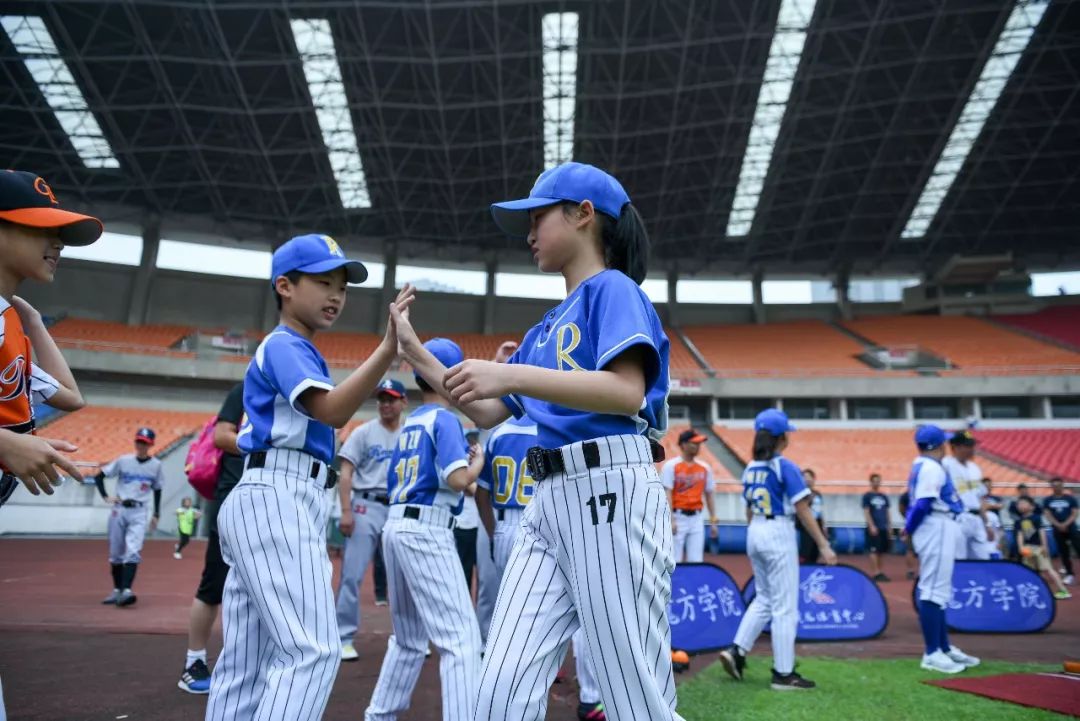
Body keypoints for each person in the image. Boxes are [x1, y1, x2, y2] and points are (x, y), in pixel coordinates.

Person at [392, 162, 682, 720]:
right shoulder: (543, 327)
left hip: (610, 488)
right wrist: (415, 353)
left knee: (633, 695)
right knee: (497, 688)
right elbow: (486, 407)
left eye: (538, 216)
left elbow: (625, 391)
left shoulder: (613, 290)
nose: (528, 233)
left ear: (583, 214)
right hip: (545, 500)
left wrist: (511, 375)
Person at [205, 234, 414, 721]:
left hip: (271, 494)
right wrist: (388, 349)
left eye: (341, 285)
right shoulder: (285, 344)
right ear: (284, 286)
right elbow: (332, 411)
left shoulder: (293, 348)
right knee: (313, 650)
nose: (336, 294)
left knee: (247, 664)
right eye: (323, 282)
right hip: (278, 495)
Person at [364, 338, 485, 721]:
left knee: (409, 639)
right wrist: (477, 463)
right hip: (427, 530)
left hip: (396, 525)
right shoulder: (445, 419)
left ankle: (379, 715)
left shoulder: (410, 423)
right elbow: (458, 480)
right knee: (462, 640)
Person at [476, 411, 605, 720]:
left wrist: (494, 532)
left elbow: (482, 492)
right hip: (549, 522)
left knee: (510, 617)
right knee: (580, 612)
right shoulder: (561, 427)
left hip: (505, 525)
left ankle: (508, 689)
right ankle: (587, 696)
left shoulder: (499, 432)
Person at [719, 409, 837, 691]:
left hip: (755, 530)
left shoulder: (750, 467)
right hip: (778, 531)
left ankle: (737, 650)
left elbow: (749, 508)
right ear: (781, 437)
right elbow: (803, 509)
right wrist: (823, 544)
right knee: (785, 608)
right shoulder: (785, 466)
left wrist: (755, 535)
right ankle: (783, 674)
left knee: (764, 599)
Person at [0, 170, 98, 506]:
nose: (58, 242)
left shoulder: (12, 321)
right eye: (41, 228)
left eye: (59, 232)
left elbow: (71, 397)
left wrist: (32, 321)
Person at [177, 381, 244, 695]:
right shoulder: (244, 390)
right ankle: (194, 661)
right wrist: (262, 441)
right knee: (213, 584)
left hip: (269, 505)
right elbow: (220, 436)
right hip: (231, 499)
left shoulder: (294, 396)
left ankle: (244, 663)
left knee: (258, 593)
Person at [335, 378, 407, 662]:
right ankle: (343, 636)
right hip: (366, 504)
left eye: (391, 399)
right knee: (352, 574)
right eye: (382, 399)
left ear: (403, 402)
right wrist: (346, 510)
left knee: (405, 575)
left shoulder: (410, 434)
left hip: (399, 506)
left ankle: (407, 636)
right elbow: (346, 472)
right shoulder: (364, 432)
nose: (386, 404)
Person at [903, 424, 979, 674]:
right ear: (938, 445)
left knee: (939, 592)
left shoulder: (927, 466)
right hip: (935, 525)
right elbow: (924, 503)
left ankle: (943, 647)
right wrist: (909, 528)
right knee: (932, 592)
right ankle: (932, 652)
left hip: (940, 525)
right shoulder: (930, 467)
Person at [94, 428, 165, 607]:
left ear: (151, 444)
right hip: (120, 508)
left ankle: (126, 590)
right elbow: (99, 476)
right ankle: (117, 590)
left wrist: (156, 513)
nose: (141, 445)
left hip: (139, 511)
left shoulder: (156, 465)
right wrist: (105, 496)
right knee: (116, 553)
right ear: (135, 442)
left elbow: (157, 489)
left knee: (133, 550)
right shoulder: (124, 461)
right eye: (139, 441)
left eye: (145, 443)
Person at [660, 429, 718, 564]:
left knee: (696, 560)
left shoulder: (704, 467)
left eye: (699, 443)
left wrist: (713, 520)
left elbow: (709, 494)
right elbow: (667, 493)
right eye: (694, 443)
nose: (697, 446)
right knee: (674, 561)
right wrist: (671, 520)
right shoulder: (671, 466)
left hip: (697, 517)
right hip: (677, 516)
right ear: (683, 444)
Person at [942, 430, 989, 560]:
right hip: (957, 517)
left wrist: (987, 524)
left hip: (976, 518)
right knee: (959, 558)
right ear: (955, 447)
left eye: (972, 446)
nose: (972, 449)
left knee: (984, 558)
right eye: (967, 446)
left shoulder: (975, 468)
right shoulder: (946, 464)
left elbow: (980, 498)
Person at [1017, 496, 1071, 599]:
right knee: (1032, 571)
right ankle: (1039, 591)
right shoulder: (1020, 521)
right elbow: (1020, 534)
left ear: (1032, 507)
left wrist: (1044, 546)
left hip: (1039, 548)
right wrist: (1021, 547)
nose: (1020, 505)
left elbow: (1042, 532)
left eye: (1023, 503)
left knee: (1048, 569)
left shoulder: (1036, 518)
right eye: (1019, 504)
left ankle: (1063, 590)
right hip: (1027, 549)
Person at [1042, 477, 1079, 586]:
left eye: (1059, 485)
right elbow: (1047, 514)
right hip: (1057, 529)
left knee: (1078, 548)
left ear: (1062, 486)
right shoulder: (1047, 500)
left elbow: (1075, 513)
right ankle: (1069, 574)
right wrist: (1058, 525)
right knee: (1063, 552)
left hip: (1071, 527)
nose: (1057, 487)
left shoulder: (1070, 499)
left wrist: (1066, 524)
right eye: (1054, 485)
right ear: (1051, 487)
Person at [862, 473, 891, 582]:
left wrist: (889, 525)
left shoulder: (883, 497)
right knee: (873, 550)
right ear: (871, 482)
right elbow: (866, 511)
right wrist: (871, 525)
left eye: (878, 480)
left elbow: (887, 511)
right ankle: (875, 572)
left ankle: (880, 571)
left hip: (883, 526)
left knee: (881, 551)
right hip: (874, 527)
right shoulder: (867, 496)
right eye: (874, 481)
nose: (876, 483)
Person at [796, 468, 826, 563]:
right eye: (805, 478)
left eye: (810, 477)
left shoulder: (818, 494)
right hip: (805, 527)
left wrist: (824, 526)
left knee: (815, 552)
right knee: (805, 553)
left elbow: (820, 511)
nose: (808, 480)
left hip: (818, 524)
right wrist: (808, 500)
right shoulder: (800, 494)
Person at [979, 477, 1005, 560]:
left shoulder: (996, 498)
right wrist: (990, 506)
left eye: (989, 485)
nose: (987, 487)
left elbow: (1001, 505)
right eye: (985, 485)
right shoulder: (978, 497)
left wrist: (987, 506)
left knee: (996, 544)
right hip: (982, 523)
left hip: (996, 523)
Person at [897, 489, 918, 580]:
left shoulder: (920, 493)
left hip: (920, 525)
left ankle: (916, 570)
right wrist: (908, 519)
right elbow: (901, 508)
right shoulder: (906, 495)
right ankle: (910, 570)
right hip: (912, 525)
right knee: (910, 549)